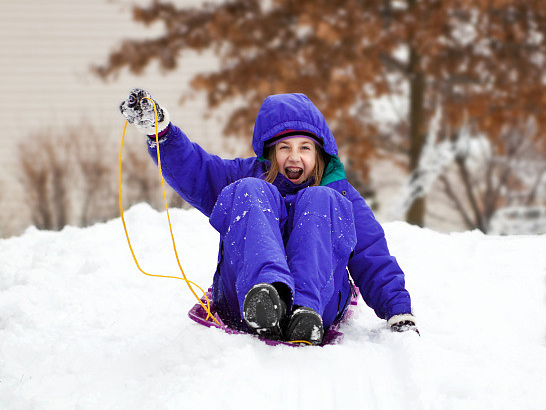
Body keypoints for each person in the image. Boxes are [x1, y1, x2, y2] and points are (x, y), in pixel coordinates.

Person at [120, 88, 418, 344]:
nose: (294, 156)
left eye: (305, 147)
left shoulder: (339, 194)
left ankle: (303, 309)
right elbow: (197, 171)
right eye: (284, 147)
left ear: (319, 154)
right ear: (271, 153)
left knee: (320, 198)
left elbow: (371, 254)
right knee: (250, 190)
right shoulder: (248, 177)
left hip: (317, 307)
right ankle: (266, 294)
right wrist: (162, 133)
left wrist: (398, 310)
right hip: (245, 301)